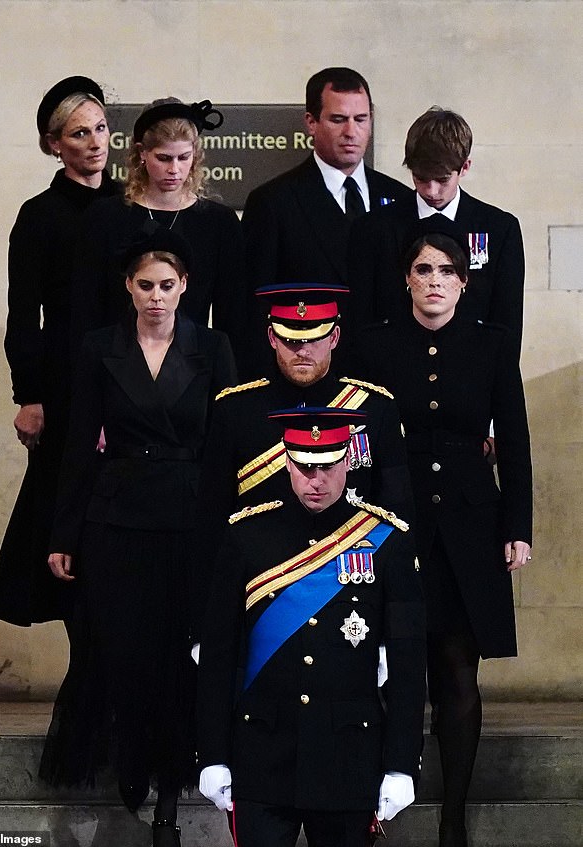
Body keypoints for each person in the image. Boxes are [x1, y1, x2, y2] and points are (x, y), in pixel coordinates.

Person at [38, 229, 236, 847]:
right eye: (145, 284)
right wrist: (63, 532)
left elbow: (230, 443)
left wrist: (238, 525)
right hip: (116, 516)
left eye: (166, 285)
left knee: (181, 656)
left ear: (184, 288)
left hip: (191, 515)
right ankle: (130, 766)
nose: (156, 295)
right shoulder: (101, 348)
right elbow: (78, 443)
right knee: (122, 649)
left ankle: (172, 797)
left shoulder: (214, 347)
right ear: (128, 287)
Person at [355, 217, 533, 847]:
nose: (435, 281)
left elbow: (513, 440)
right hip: (393, 521)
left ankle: (453, 818)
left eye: (448, 272)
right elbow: (355, 439)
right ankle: (372, 804)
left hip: (468, 521)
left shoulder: (490, 345)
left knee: (458, 668)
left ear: (464, 283)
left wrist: (517, 526)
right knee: (380, 664)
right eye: (424, 269)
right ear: (407, 278)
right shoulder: (371, 344)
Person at [197, 407, 427, 847]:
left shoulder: (386, 540)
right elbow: (219, 656)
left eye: (326, 467)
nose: (314, 480)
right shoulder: (245, 535)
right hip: (261, 755)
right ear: (287, 462)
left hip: (348, 759)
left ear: (347, 461)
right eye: (303, 467)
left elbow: (407, 662)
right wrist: (212, 754)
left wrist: (401, 763)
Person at [0, 75, 120, 627]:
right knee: (67, 514)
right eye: (79, 133)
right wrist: (30, 395)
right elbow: (25, 316)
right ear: (54, 144)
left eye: (102, 129)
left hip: (135, 375)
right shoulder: (39, 215)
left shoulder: (133, 206)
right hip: (65, 384)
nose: (95, 142)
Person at [193, 282, 413, 614]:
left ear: (334, 338)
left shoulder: (375, 408)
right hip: (262, 593)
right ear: (272, 338)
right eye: (291, 340)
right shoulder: (235, 410)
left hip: (348, 592)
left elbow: (395, 514)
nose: (303, 350)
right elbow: (211, 519)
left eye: (314, 338)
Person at [242, 67, 411, 371]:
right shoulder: (273, 202)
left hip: (387, 377)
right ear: (311, 122)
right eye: (337, 119)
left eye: (361, 119)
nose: (351, 132)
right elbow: (253, 311)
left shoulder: (399, 197)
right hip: (307, 378)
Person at [69, 97, 245, 361]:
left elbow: (232, 317)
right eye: (163, 158)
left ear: (195, 155)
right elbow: (85, 310)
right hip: (117, 367)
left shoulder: (219, 222)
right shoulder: (105, 217)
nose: (174, 169)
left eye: (183, 157)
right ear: (142, 154)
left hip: (193, 370)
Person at [348, 106, 525, 356]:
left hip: (470, 375)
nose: (431, 191)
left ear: (464, 167)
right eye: (420, 178)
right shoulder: (373, 229)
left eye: (442, 180)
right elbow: (361, 322)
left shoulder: (499, 228)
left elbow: (506, 326)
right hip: (392, 373)